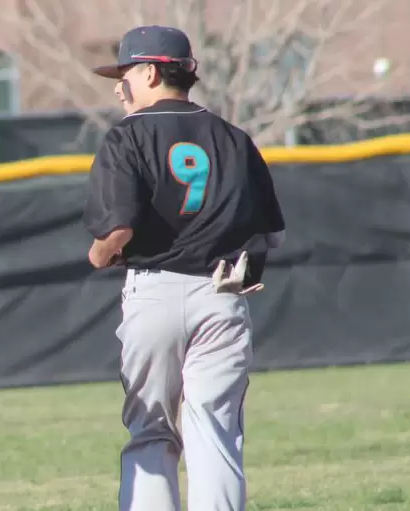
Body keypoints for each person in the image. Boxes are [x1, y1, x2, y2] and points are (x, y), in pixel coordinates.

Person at [81, 25, 285, 511]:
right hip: (221, 292)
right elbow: (270, 232)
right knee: (214, 429)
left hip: (154, 294)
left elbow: (118, 228)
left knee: (151, 430)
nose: (119, 87)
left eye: (126, 75)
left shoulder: (127, 135)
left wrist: (99, 254)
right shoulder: (234, 138)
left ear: (151, 73)